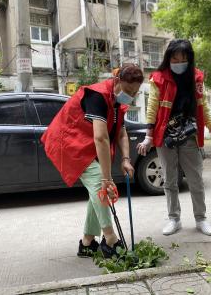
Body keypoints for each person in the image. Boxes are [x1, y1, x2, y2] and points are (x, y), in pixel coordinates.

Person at [41, 64, 144, 257]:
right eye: (129, 90)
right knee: (99, 184)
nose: (131, 95)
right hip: (68, 143)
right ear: (117, 81)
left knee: (96, 194)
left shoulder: (118, 102)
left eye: (135, 92)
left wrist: (126, 159)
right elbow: (101, 138)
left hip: (85, 145)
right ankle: (111, 239)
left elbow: (121, 132)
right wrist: (106, 179)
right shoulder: (97, 95)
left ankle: (87, 243)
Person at [136, 39, 211, 236]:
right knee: (169, 180)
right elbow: (152, 108)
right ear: (168, 58)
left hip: (189, 134)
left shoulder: (196, 78)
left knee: (195, 179)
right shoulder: (158, 78)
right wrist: (149, 135)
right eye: (174, 59)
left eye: (183, 59)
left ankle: (201, 219)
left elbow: (203, 107)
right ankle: (174, 219)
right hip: (165, 135)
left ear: (189, 59)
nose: (178, 62)